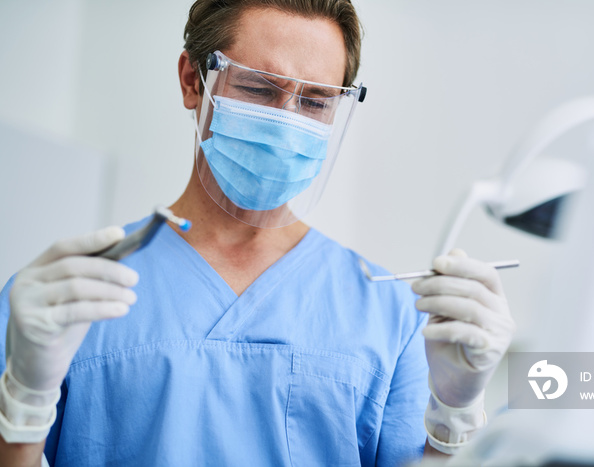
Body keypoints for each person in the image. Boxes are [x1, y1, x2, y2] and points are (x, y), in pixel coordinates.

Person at [0, 1, 515, 465]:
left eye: (316, 101)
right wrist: (22, 404)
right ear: (191, 81)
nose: (285, 121)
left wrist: (454, 416)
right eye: (258, 88)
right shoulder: (60, 299)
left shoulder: (390, 315)